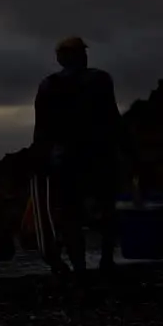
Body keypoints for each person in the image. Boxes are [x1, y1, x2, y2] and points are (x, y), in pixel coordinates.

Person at [31, 36, 134, 283]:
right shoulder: (99, 79)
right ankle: (106, 260)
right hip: (98, 153)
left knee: (70, 215)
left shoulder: (48, 85)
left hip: (64, 157)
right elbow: (112, 116)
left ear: (60, 58)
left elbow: (41, 127)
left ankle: (79, 267)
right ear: (81, 56)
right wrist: (127, 149)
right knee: (107, 207)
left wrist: (39, 158)